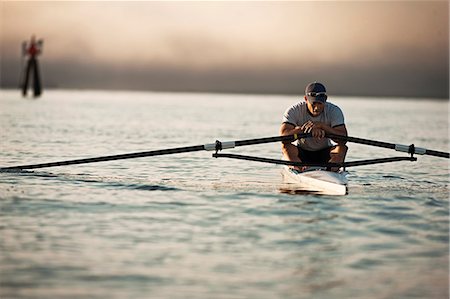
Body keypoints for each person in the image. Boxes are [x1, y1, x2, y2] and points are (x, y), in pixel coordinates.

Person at [280, 82, 348, 171]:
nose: (316, 108)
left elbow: (344, 139)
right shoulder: (294, 110)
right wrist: (302, 130)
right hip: (302, 153)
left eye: (320, 104)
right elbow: (283, 138)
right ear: (305, 99)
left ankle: (331, 171)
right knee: (286, 146)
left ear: (325, 99)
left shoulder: (334, 111)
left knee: (342, 148)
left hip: (325, 153)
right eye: (313, 103)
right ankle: (298, 168)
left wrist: (323, 127)